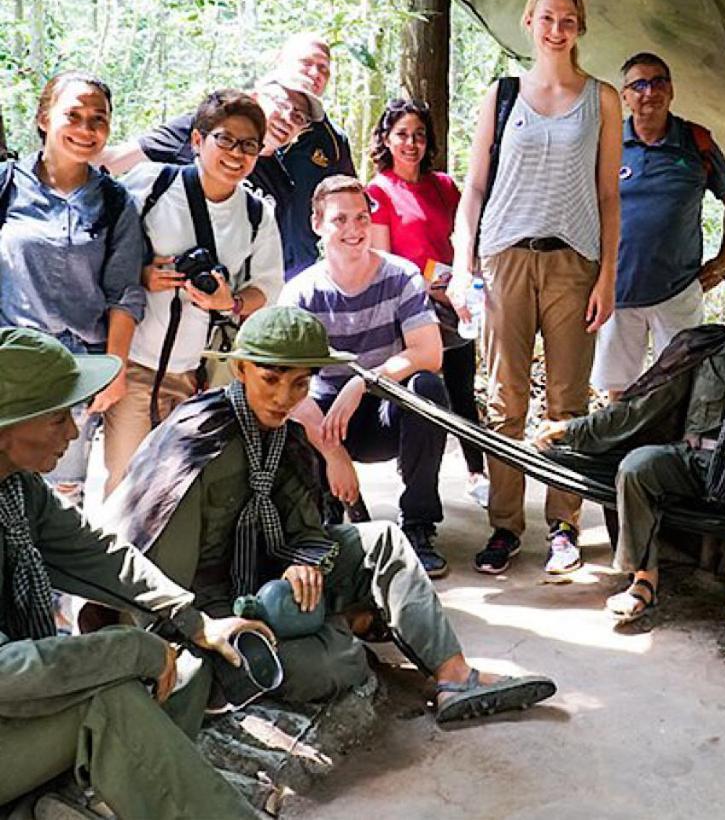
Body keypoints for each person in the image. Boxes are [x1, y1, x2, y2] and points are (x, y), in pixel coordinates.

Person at [99, 306, 556, 719]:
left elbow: (309, 527)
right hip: (204, 608)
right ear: (239, 369)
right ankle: (346, 627)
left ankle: (454, 676)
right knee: (335, 662)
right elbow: (148, 571)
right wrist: (205, 628)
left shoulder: (286, 435)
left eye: (299, 383)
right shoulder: (194, 439)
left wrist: (304, 561)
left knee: (384, 542)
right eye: (270, 378)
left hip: (271, 580)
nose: (283, 396)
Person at [0, 326, 269, 819]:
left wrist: (191, 618)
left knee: (185, 667)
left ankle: (81, 796)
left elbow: (98, 553)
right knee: (111, 702)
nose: (74, 432)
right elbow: (6, 674)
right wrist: (131, 648)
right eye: (60, 417)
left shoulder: (17, 488)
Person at [446, 0, 623, 576]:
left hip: (575, 261)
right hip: (504, 258)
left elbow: (608, 196)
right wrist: (463, 265)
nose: (556, 29)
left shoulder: (602, 98)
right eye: (547, 18)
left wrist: (608, 278)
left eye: (568, 19)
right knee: (505, 400)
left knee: (570, 402)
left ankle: (564, 525)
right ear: (528, 22)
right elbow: (473, 187)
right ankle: (504, 527)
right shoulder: (501, 95)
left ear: (580, 26)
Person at [536, 247, 725, 655]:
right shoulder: (705, 346)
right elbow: (640, 408)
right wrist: (572, 430)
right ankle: (643, 581)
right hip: (693, 461)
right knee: (639, 465)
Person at [102, 89, 286, 495]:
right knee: (125, 484)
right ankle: (116, 559)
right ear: (198, 141)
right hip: (135, 362)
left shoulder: (256, 214)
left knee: (176, 491)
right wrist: (141, 273)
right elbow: (105, 248)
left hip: (196, 372)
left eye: (249, 145)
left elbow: (268, 289)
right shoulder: (152, 185)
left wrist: (231, 303)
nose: (237, 154)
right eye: (225, 139)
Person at [282, 175, 452, 576]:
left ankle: (418, 524)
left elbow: (429, 353)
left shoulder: (401, 275)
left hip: (383, 410)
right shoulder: (300, 293)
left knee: (428, 388)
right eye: (340, 220)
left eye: (362, 217)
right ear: (318, 224)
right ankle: (327, 514)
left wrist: (363, 381)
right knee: (285, 411)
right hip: (326, 418)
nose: (355, 230)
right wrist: (334, 454)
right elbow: (286, 385)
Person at [0, 72, 145, 507]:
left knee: (59, 501)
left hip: (73, 376)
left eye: (98, 119)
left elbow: (124, 293)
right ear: (45, 118)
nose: (86, 130)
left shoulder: (115, 203)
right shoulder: (7, 186)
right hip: (8, 366)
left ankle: (44, 577)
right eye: (73, 115)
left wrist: (114, 368)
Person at [591, 51, 725, 398]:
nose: (650, 92)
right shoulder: (607, 143)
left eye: (659, 81)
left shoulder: (696, 141)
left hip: (678, 290)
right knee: (618, 391)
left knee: (683, 385)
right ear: (625, 95)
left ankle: (672, 451)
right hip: (616, 291)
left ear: (672, 90)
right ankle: (618, 451)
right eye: (640, 84)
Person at [366, 98, 489, 509]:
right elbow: (383, 260)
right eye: (402, 134)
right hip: (410, 310)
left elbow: (463, 240)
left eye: (419, 135)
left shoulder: (444, 186)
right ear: (386, 139)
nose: (411, 144)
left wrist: (462, 281)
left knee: (462, 392)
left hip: (456, 304)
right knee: (419, 394)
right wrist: (424, 286)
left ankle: (477, 473)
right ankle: (417, 485)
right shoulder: (378, 191)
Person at [98, 72, 321, 278]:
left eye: (300, 117)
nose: (288, 118)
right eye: (282, 104)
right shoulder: (202, 128)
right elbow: (111, 162)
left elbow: (263, 273)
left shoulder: (281, 187)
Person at [273, 33, 358, 246]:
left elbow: (347, 203)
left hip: (301, 265)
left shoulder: (333, 142)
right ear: (281, 62)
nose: (315, 73)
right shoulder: (244, 122)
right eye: (306, 63)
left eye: (323, 68)